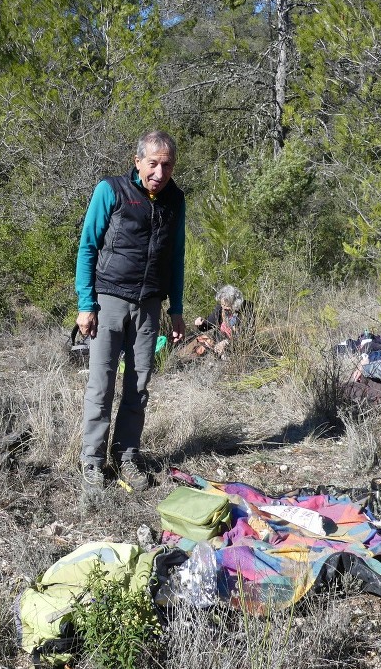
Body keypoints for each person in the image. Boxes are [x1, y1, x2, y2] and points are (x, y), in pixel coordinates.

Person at [75, 130, 186, 491]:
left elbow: (177, 257)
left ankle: (127, 457)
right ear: (137, 161)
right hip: (109, 300)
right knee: (101, 383)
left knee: (138, 386)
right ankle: (92, 461)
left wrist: (177, 309)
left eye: (166, 164)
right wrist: (86, 304)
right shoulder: (111, 189)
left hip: (150, 304)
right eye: (152, 163)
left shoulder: (175, 200)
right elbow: (88, 247)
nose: (159, 171)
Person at [193, 284, 251, 357]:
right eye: (222, 304)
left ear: (235, 304)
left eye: (227, 306)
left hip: (236, 348)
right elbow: (208, 325)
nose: (224, 308)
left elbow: (244, 336)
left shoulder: (246, 312)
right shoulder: (220, 309)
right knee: (196, 343)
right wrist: (200, 324)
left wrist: (227, 342)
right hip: (219, 339)